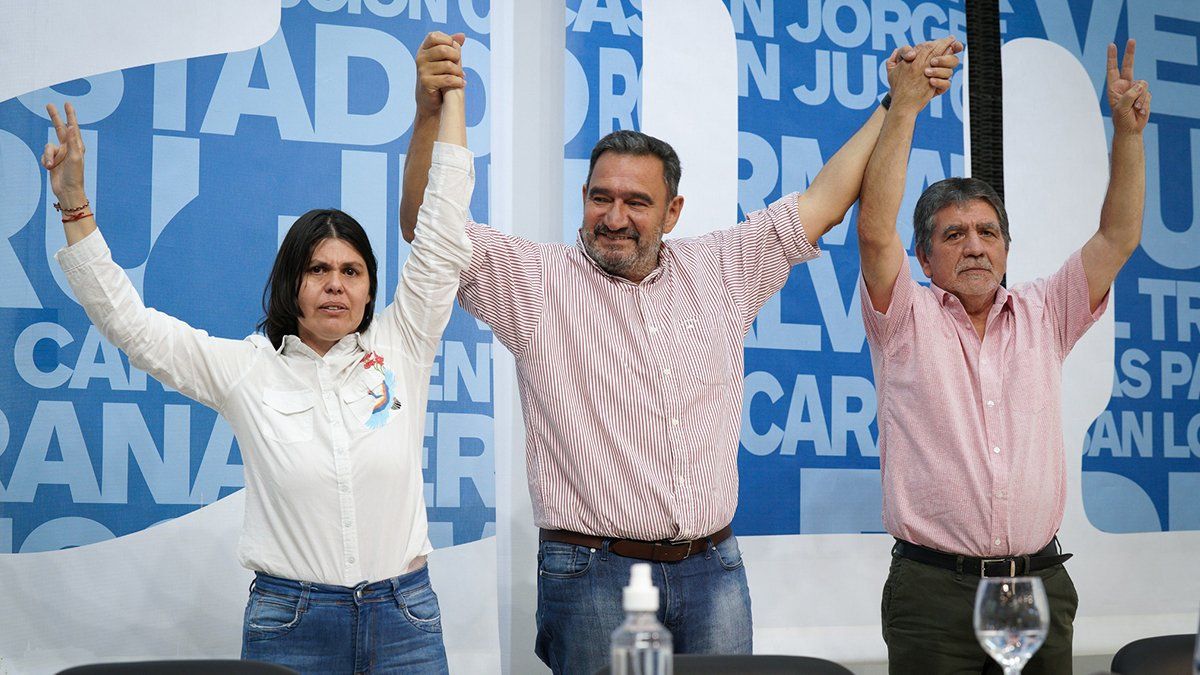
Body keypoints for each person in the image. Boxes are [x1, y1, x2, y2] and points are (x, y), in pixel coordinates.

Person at [404, 31, 962, 674]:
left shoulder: (722, 268)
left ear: (672, 211)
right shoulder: (533, 280)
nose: (614, 217)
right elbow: (426, 227)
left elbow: (825, 201)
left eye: (636, 202)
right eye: (600, 198)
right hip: (592, 576)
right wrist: (429, 112)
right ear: (583, 199)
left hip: (713, 571)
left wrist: (893, 104)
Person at [41, 76, 475, 672]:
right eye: (318, 270)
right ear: (290, 282)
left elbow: (443, 231)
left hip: (406, 621)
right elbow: (130, 324)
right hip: (293, 624)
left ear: (370, 288)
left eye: (351, 272)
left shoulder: (405, 343)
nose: (335, 285)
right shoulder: (247, 368)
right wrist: (74, 204)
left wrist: (452, 97)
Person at [855, 39, 1149, 673]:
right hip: (935, 594)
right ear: (924, 257)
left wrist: (1127, 135)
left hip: (1037, 585)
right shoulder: (903, 316)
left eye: (988, 232)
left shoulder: (1047, 312)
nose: (975, 246)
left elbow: (1119, 236)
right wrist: (905, 107)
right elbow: (875, 231)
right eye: (954, 234)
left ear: (1007, 249)